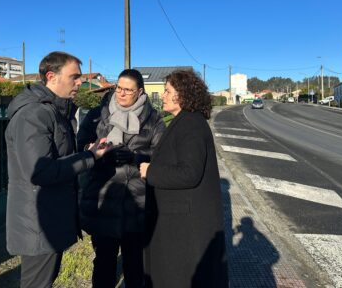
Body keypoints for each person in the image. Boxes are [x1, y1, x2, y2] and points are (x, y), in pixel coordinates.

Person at [5, 51, 110, 288]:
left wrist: (87, 151)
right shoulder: (34, 114)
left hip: (50, 218)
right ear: (52, 76)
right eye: (74, 77)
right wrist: (89, 157)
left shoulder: (55, 111)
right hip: (38, 224)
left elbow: (59, 157)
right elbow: (40, 171)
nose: (80, 82)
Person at [77, 68, 165, 288]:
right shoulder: (98, 114)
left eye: (128, 90)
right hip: (103, 198)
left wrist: (136, 157)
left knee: (135, 266)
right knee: (103, 263)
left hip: (137, 202)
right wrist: (99, 153)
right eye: (119, 88)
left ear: (140, 92)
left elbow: (162, 155)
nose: (122, 94)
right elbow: (80, 146)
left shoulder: (154, 120)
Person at [140, 69, 229, 288]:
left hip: (183, 227)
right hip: (179, 221)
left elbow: (189, 172)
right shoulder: (185, 121)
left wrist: (149, 172)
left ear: (183, 95)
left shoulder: (190, 124)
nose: (163, 95)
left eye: (167, 91)